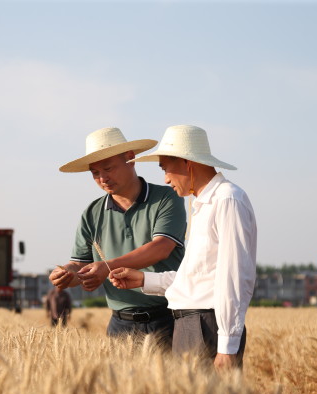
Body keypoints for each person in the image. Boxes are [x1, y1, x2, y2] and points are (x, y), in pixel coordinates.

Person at [109, 124, 257, 371]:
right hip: (191, 325)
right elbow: (199, 276)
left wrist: (227, 347)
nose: (165, 178)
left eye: (166, 168)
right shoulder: (202, 204)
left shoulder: (227, 199)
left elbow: (234, 276)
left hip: (206, 325)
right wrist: (144, 280)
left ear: (188, 164)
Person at [50, 127, 186, 348]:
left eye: (108, 168)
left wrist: (106, 267)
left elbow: (161, 247)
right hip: (120, 325)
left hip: (170, 319)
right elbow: (80, 265)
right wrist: (68, 274)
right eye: (94, 172)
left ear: (131, 159)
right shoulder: (91, 213)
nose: (103, 178)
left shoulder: (167, 198)